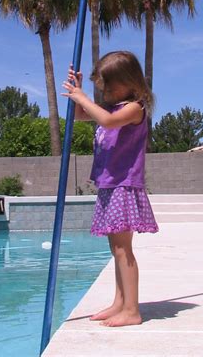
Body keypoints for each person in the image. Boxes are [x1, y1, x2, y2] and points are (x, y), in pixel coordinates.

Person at [62, 50, 158, 327]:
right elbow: (82, 115)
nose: (106, 93)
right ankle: (120, 302)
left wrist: (82, 97)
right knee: (115, 248)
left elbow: (106, 121)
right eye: (104, 88)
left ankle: (132, 309)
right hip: (109, 185)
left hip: (124, 185)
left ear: (132, 83)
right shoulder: (113, 108)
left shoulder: (134, 108)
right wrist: (79, 92)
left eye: (111, 87)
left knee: (122, 249)